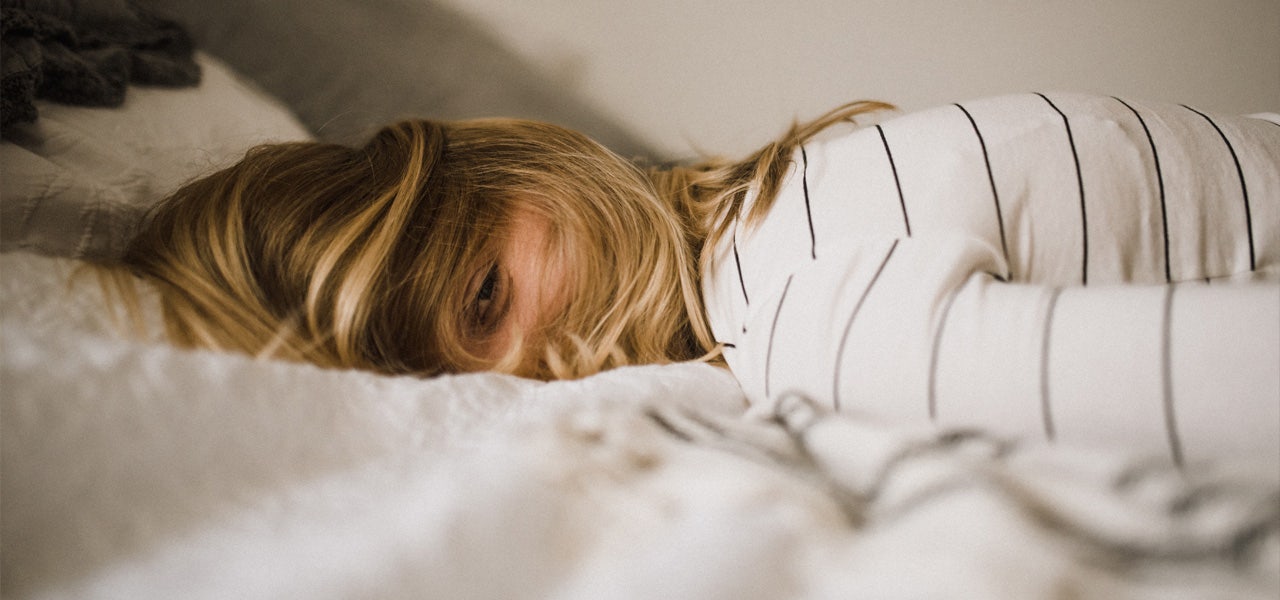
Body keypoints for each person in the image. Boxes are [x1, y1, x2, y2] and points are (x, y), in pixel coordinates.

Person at [105, 93, 1279, 461]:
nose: (522, 377)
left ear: (526, 165)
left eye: (481, 300)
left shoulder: (810, 316)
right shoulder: (791, 192)